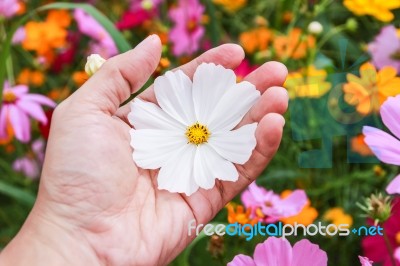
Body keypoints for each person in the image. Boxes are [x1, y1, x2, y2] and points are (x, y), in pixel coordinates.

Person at [0, 35, 288, 265]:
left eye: (198, 131)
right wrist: (76, 235)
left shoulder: (219, 135)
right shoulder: (155, 136)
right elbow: (152, 137)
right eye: (195, 131)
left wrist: (78, 243)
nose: (196, 132)